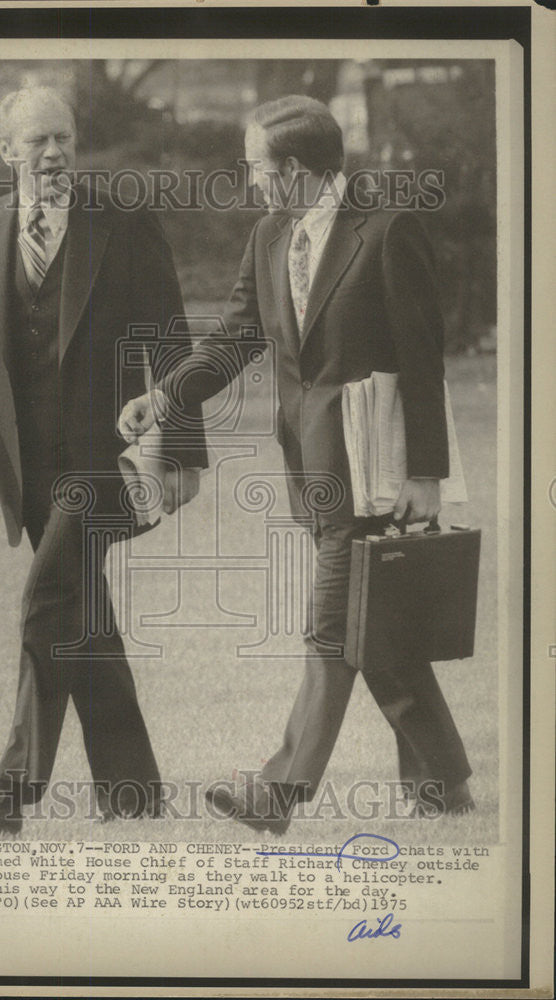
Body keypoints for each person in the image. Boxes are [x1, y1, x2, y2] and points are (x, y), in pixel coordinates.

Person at [119, 95, 473, 834]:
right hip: (313, 469)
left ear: (297, 170)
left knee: (331, 626)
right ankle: (444, 785)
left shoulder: (387, 230)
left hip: (377, 466)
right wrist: (164, 395)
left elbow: (421, 356)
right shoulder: (269, 237)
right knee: (378, 629)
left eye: (256, 168)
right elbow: (236, 338)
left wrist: (427, 472)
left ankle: (278, 791)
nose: (249, 181)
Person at [0, 86, 206, 833]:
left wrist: (181, 451)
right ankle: (135, 794)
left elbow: (171, 340)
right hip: (29, 472)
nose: (54, 154)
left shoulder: (123, 223)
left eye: (64, 139)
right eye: (38, 141)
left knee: (46, 604)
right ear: (7, 150)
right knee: (82, 623)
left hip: (105, 467)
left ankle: (9, 795)